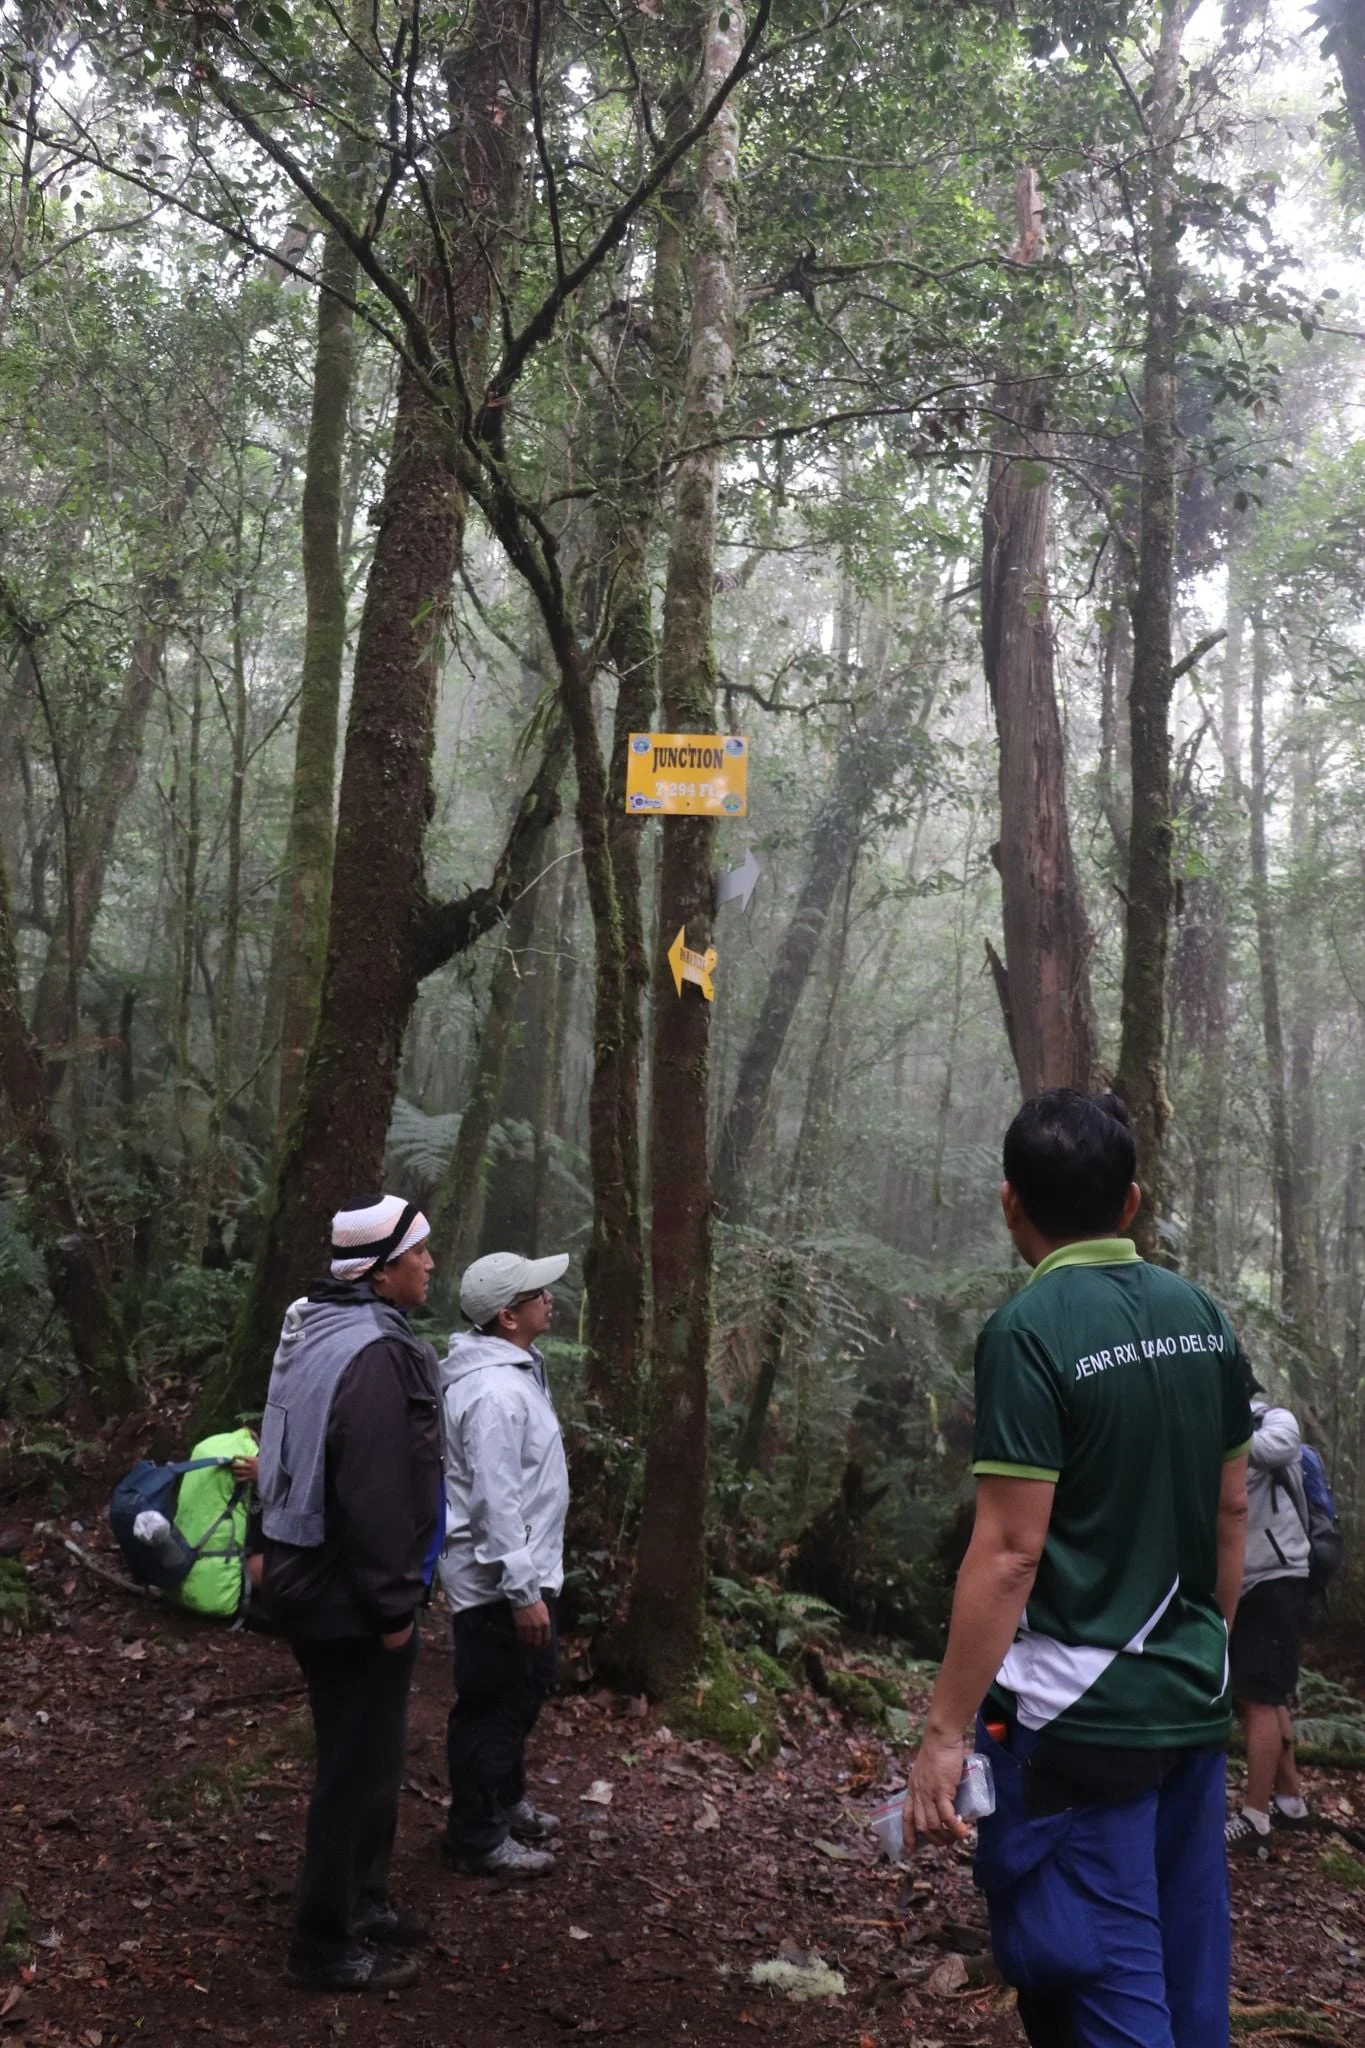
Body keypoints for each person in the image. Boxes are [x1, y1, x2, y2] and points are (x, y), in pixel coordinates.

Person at [907, 1089, 1252, 2048]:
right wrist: (1205, 1645)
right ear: (1130, 1203)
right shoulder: (1203, 1317)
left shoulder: (1028, 1331)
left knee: (1105, 1990)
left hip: (1078, 1719)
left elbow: (1012, 1550)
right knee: (1188, 1982)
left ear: (1010, 1202)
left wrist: (942, 1735)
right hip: (1190, 1697)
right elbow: (1233, 1506)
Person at [256, 1194, 444, 1993]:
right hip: (348, 1597)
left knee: (373, 1758)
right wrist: (395, 1605)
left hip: (305, 1575)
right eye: (421, 1254)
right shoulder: (373, 1353)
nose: (431, 1265)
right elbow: (375, 1492)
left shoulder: (313, 1325)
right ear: (380, 1269)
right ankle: (323, 1942)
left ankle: (362, 1902)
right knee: (351, 1768)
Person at [439, 1249, 570, 1879]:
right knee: (493, 1702)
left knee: (523, 1687)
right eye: (537, 1292)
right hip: (498, 1581)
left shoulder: (512, 1371)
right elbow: (494, 1499)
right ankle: (476, 1835)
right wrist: (522, 1591)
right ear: (507, 1316)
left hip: (520, 1570)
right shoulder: (493, 1391)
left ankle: (506, 1800)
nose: (550, 1296)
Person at [1225, 1380, 1312, 1852]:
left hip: (1275, 1575)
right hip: (1243, 1580)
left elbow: (1278, 1448)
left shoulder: (1271, 1420)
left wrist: (1220, 1433)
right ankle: (1290, 1801)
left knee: (1257, 1698)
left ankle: (1255, 1817)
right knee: (1267, 1694)